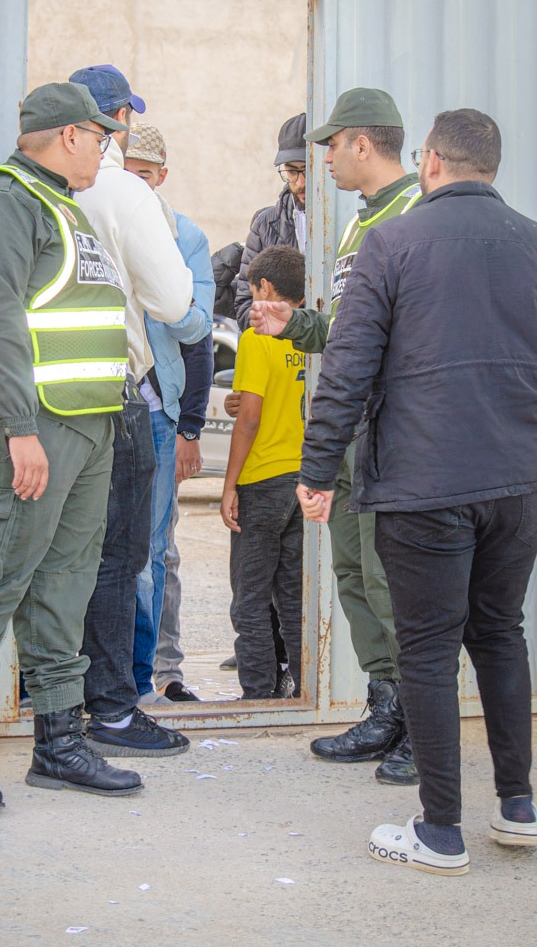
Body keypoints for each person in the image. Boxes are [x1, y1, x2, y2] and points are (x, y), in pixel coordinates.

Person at [278, 107, 537, 874]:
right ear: (489, 165)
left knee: (425, 650)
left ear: (428, 161)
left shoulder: (391, 243)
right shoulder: (531, 242)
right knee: (499, 632)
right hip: (517, 484)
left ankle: (440, 831)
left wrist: (315, 471)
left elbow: (348, 369)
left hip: (422, 485)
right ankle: (518, 806)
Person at [0, 81, 144, 812]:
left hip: (83, 427)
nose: (107, 150)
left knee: (64, 584)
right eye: (102, 137)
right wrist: (20, 428)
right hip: (16, 427)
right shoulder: (0, 203)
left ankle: (58, 743)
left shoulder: (60, 206)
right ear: (70, 134)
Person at [250, 88, 422, 783]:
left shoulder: (416, 214)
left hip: (392, 434)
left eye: (330, 146)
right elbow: (353, 333)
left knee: (392, 582)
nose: (322, 159)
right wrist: (293, 324)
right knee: (353, 574)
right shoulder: (359, 225)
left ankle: (422, 728)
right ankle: (385, 708)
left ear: (362, 143)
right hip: (350, 431)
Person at [68, 65, 193, 757]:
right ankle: (113, 710)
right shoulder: (123, 192)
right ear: (116, 120)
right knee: (120, 559)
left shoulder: (32, 187)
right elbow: (174, 302)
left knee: (58, 555)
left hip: (42, 402)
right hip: (114, 396)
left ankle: (51, 703)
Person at [123, 122, 214, 705]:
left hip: (157, 410)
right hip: (97, 404)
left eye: (144, 173)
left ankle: (145, 681)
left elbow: (197, 334)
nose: (134, 182)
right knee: (86, 547)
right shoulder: (92, 218)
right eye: (126, 171)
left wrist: (190, 427)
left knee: (151, 552)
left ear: (161, 176)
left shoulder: (185, 236)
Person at [221, 246, 306, 700]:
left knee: (250, 598)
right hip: (305, 477)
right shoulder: (310, 337)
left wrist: (229, 484)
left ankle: (258, 693)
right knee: (294, 597)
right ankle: (305, 690)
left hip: (262, 479)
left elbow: (250, 418)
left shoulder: (258, 337)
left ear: (266, 288)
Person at [153, 334, 214, 701]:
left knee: (161, 556)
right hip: (88, 423)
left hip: (158, 422)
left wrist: (189, 428)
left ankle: (166, 674)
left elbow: (199, 345)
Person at [234, 113, 307, 331]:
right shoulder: (264, 224)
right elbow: (244, 306)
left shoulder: (347, 221)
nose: (301, 182)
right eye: (292, 171)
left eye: (308, 170)